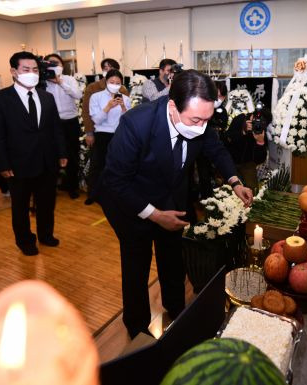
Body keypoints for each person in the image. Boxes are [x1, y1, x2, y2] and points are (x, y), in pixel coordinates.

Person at [96, 69, 253, 338]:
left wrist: (236, 181)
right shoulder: (137, 124)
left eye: (206, 119)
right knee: (136, 266)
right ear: (172, 106)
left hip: (172, 195)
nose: (201, 127)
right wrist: (154, 215)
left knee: (172, 259)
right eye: (195, 119)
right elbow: (116, 181)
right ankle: (137, 329)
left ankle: (176, 309)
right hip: (132, 203)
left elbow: (215, 149)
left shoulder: (199, 120)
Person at [0, 51, 67, 256]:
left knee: (47, 203)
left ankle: (46, 234)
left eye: (34, 70)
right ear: (14, 72)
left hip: (47, 161)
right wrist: (2, 164)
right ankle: (25, 240)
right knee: (20, 206)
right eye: (26, 69)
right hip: (17, 163)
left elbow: (56, 128)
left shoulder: (46, 97)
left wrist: (62, 153)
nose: (31, 73)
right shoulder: (0, 99)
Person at [81, 58, 129, 205]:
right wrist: (108, 106)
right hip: (102, 134)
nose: (114, 85)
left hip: (119, 135)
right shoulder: (96, 96)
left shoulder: (125, 98)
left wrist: (122, 107)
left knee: (118, 166)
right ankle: (93, 194)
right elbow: (96, 120)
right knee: (97, 165)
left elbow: (127, 119)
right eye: (112, 82)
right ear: (106, 81)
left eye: (117, 83)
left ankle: (115, 194)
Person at [44, 53, 83, 199]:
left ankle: (72, 186)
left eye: (57, 63)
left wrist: (60, 82)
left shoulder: (69, 79)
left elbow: (78, 95)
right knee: (52, 156)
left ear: (62, 66)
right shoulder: (43, 82)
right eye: (51, 64)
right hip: (51, 124)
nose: (55, 66)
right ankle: (51, 187)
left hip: (70, 122)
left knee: (72, 156)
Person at [222, 101, 268, 191]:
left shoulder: (261, 130)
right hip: (231, 161)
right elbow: (226, 139)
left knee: (253, 191)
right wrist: (243, 132)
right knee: (227, 190)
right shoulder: (241, 119)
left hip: (248, 164)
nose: (257, 125)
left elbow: (260, 160)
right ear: (252, 116)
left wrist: (260, 142)